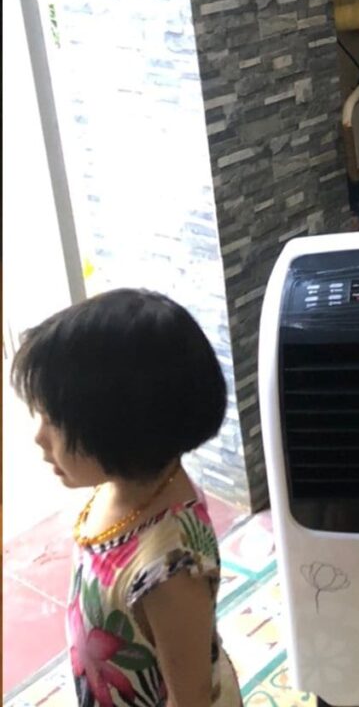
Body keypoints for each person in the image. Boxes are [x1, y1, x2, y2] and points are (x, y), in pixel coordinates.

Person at [10, 288, 241, 707]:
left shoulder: (170, 570)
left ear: (119, 430)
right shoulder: (123, 484)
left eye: (54, 421)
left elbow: (190, 698)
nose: (39, 437)